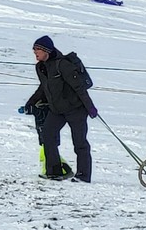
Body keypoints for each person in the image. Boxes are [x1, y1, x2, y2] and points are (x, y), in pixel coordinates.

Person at [22, 35, 96, 182]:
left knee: (80, 143)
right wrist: (30, 103)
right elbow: (43, 88)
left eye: (37, 50)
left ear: (46, 50)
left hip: (76, 109)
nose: (35, 53)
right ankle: (54, 171)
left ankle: (83, 176)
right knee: (47, 135)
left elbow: (79, 87)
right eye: (34, 50)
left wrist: (90, 107)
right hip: (57, 110)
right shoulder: (40, 67)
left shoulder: (62, 65)